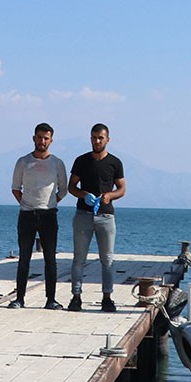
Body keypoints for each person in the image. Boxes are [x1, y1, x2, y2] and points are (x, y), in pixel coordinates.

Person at [67, 123, 126, 311]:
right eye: (94, 137)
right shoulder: (81, 161)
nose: (97, 141)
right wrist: (84, 195)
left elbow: (122, 189)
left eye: (100, 138)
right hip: (83, 215)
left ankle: (107, 297)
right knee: (79, 259)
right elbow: (71, 187)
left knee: (107, 259)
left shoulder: (115, 163)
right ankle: (76, 297)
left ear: (107, 139)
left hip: (106, 216)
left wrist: (109, 196)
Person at [9, 123, 66, 309]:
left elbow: (63, 190)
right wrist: (27, 204)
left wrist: (49, 203)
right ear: (34, 138)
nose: (42, 141)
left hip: (49, 215)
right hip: (27, 215)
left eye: (46, 138)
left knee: (50, 259)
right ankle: (20, 299)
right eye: (39, 137)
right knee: (24, 257)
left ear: (51, 140)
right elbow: (16, 188)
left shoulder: (57, 163)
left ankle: (51, 299)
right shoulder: (23, 162)